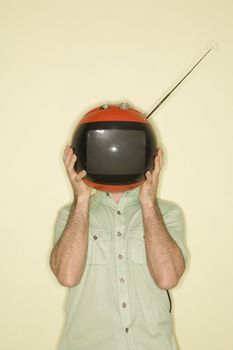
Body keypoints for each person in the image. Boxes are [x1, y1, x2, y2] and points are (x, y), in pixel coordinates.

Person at [50, 145, 187, 350]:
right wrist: (81, 200)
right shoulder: (71, 216)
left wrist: (148, 204)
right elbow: (67, 276)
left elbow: (167, 277)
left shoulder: (167, 213)